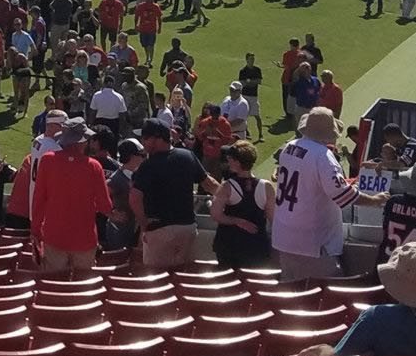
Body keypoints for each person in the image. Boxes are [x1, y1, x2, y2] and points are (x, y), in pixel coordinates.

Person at [271, 106, 387, 281]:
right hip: (312, 240)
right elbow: (343, 195)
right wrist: (374, 200)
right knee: (324, 293)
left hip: (284, 235)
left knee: (290, 291)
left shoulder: (289, 147)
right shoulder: (322, 156)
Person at [31, 118, 112, 277]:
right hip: (85, 238)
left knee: (54, 285)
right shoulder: (94, 166)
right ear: (82, 141)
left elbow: (39, 199)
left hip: (54, 236)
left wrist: (35, 230)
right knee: (82, 289)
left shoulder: (48, 160)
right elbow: (105, 206)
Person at [132, 118, 214, 270]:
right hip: (187, 228)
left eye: (145, 138)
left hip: (159, 229)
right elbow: (209, 184)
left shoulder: (148, 166)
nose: (142, 142)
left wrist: (143, 224)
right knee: (182, 274)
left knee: (156, 278)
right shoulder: (187, 156)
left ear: (156, 139)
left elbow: (135, 198)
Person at [209, 141, 273, 266]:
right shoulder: (266, 186)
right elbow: (272, 217)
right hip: (256, 244)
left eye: (230, 159)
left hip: (229, 244)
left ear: (237, 162)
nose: (228, 161)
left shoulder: (227, 186)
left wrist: (238, 221)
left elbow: (215, 214)